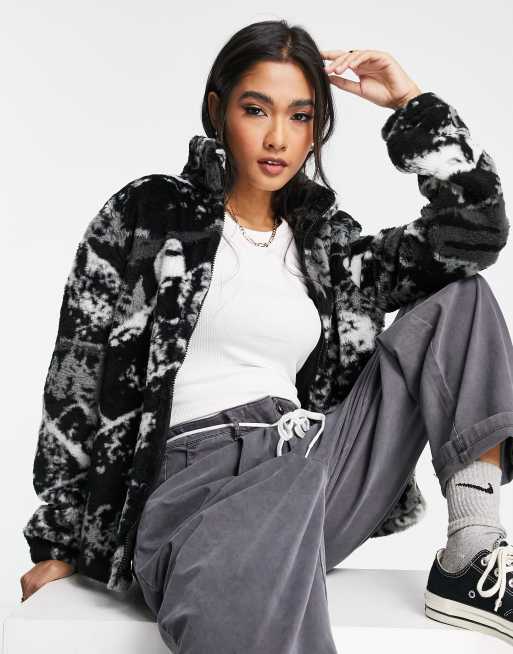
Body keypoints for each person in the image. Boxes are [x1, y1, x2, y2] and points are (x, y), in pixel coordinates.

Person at [20, 19, 512, 652]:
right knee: (269, 523)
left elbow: (472, 235)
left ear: (317, 129)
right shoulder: (152, 212)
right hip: (192, 482)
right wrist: (57, 544)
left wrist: (410, 106)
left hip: (314, 464)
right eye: (257, 110)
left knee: (461, 298)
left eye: (300, 116)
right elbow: (77, 371)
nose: (278, 137)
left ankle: (473, 548)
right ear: (217, 110)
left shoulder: (329, 245)